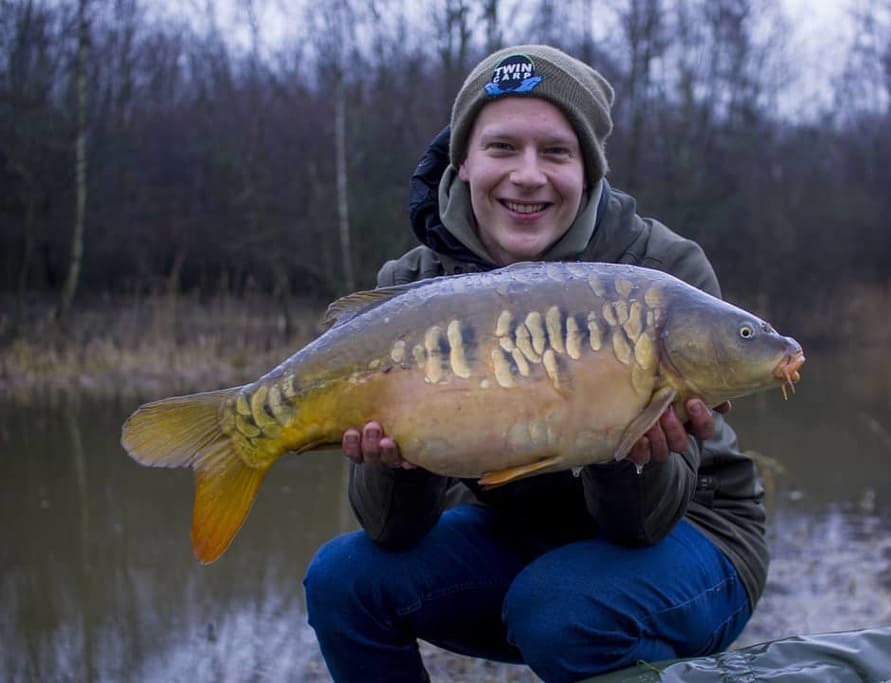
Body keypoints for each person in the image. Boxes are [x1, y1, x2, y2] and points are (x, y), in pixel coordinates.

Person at [304, 44, 768, 683]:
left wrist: (626, 445)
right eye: (502, 147)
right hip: (515, 527)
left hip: (688, 534)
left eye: (555, 151)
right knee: (343, 580)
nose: (527, 175)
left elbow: (641, 528)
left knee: (558, 609)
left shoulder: (662, 275)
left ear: (588, 170)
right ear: (464, 161)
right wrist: (395, 465)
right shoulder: (413, 286)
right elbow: (392, 533)